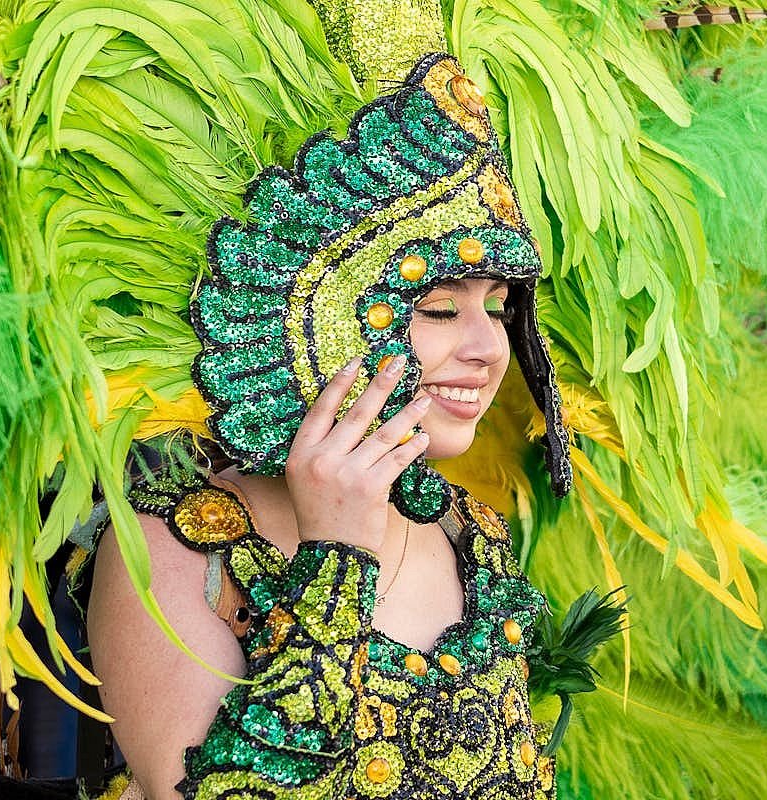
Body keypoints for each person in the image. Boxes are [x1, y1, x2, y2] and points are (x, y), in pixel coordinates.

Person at [85, 53, 570, 800]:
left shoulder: (473, 535)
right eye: (441, 308)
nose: (488, 349)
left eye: (498, 306)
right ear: (319, 316)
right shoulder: (175, 547)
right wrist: (336, 556)